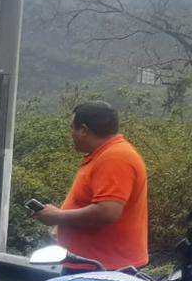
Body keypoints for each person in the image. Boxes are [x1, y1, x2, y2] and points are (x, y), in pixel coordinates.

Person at [33, 101, 149, 271]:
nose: (71, 134)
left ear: (84, 130)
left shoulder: (115, 158)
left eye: (72, 128)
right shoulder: (103, 155)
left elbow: (107, 212)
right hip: (91, 264)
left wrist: (58, 216)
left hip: (103, 269)